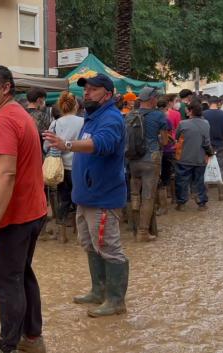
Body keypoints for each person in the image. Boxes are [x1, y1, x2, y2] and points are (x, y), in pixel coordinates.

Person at [0, 65, 48, 353]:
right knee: (21, 276)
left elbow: (6, 173)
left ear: (5, 88)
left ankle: (8, 345)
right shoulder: (19, 114)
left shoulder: (4, 121)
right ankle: (32, 338)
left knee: (6, 283)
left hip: (11, 219)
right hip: (28, 213)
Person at [43, 73, 129, 318]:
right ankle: (98, 290)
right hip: (86, 196)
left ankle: (115, 300)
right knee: (91, 245)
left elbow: (102, 144)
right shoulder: (90, 118)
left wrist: (66, 145)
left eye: (93, 89)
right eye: (86, 89)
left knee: (109, 247)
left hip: (103, 196)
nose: (86, 93)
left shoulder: (111, 118)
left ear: (108, 94)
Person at [128, 87, 168, 242]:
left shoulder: (130, 115)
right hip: (151, 159)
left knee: (134, 195)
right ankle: (143, 232)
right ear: (152, 100)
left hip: (133, 160)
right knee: (148, 196)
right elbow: (164, 141)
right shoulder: (159, 115)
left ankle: (134, 228)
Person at [43, 91, 84, 243]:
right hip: (78, 167)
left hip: (59, 168)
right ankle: (80, 234)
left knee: (63, 200)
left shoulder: (55, 123)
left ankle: (61, 235)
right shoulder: (83, 122)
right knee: (80, 200)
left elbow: (47, 145)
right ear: (77, 105)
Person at [174, 101, 213, 211]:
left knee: (182, 181)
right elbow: (206, 142)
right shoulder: (206, 123)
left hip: (184, 158)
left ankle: (181, 203)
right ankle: (201, 203)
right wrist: (210, 152)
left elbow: (177, 137)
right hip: (200, 158)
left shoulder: (183, 124)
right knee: (200, 181)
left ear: (190, 111)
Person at [203, 96, 223, 201]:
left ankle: (205, 195)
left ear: (208, 103)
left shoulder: (203, 114)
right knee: (221, 168)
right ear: (219, 103)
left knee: (205, 169)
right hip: (220, 145)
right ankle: (222, 194)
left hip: (206, 146)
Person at [156, 95, 175, 215]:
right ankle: (173, 199)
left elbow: (165, 137)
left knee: (160, 180)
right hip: (168, 150)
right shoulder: (165, 118)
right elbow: (169, 134)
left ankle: (162, 206)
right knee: (169, 176)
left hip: (161, 151)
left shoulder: (157, 118)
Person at [25, 87, 50, 152]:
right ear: (39, 100)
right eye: (44, 99)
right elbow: (46, 136)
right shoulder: (43, 116)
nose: (44, 102)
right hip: (37, 151)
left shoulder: (20, 113)